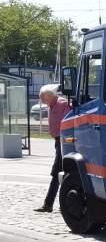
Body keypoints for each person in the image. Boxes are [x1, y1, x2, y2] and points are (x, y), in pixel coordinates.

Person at [34, 84, 71, 213]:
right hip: (58, 141)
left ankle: (50, 204)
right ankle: (56, 204)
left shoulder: (62, 104)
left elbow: (68, 122)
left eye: (42, 98)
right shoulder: (51, 105)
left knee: (57, 172)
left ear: (49, 95)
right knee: (59, 172)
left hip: (64, 141)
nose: (42, 101)